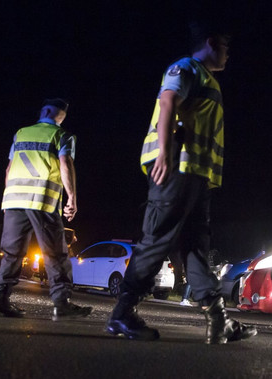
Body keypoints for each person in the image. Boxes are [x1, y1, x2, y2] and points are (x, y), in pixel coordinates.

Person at [106, 21, 257, 344]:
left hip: (197, 178)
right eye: (227, 48)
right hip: (177, 171)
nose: (229, 56)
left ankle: (219, 321)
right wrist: (163, 154)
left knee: (196, 247)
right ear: (212, 42)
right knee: (158, 239)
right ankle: (122, 313)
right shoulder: (186, 68)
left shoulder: (207, 79)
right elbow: (168, 101)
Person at [0, 98, 93, 321]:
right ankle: (62, 304)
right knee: (56, 253)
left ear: (43, 111)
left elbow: (9, 168)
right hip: (42, 200)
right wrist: (72, 198)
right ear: (60, 116)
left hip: (14, 200)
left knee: (12, 254)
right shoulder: (62, 136)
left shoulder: (21, 133)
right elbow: (65, 164)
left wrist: (6, 200)